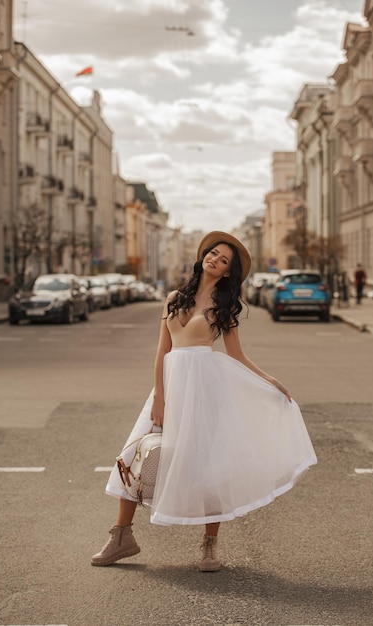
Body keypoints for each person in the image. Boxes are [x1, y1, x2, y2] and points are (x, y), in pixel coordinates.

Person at [91, 231, 317, 572]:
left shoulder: (225, 306)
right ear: (203, 257)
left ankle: (210, 546)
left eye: (224, 259)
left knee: (211, 465)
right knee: (134, 455)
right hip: (169, 385)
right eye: (213, 253)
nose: (215, 259)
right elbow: (162, 351)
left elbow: (236, 354)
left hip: (205, 390)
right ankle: (121, 536)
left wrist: (269, 380)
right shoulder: (173, 298)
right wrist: (159, 398)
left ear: (228, 271)